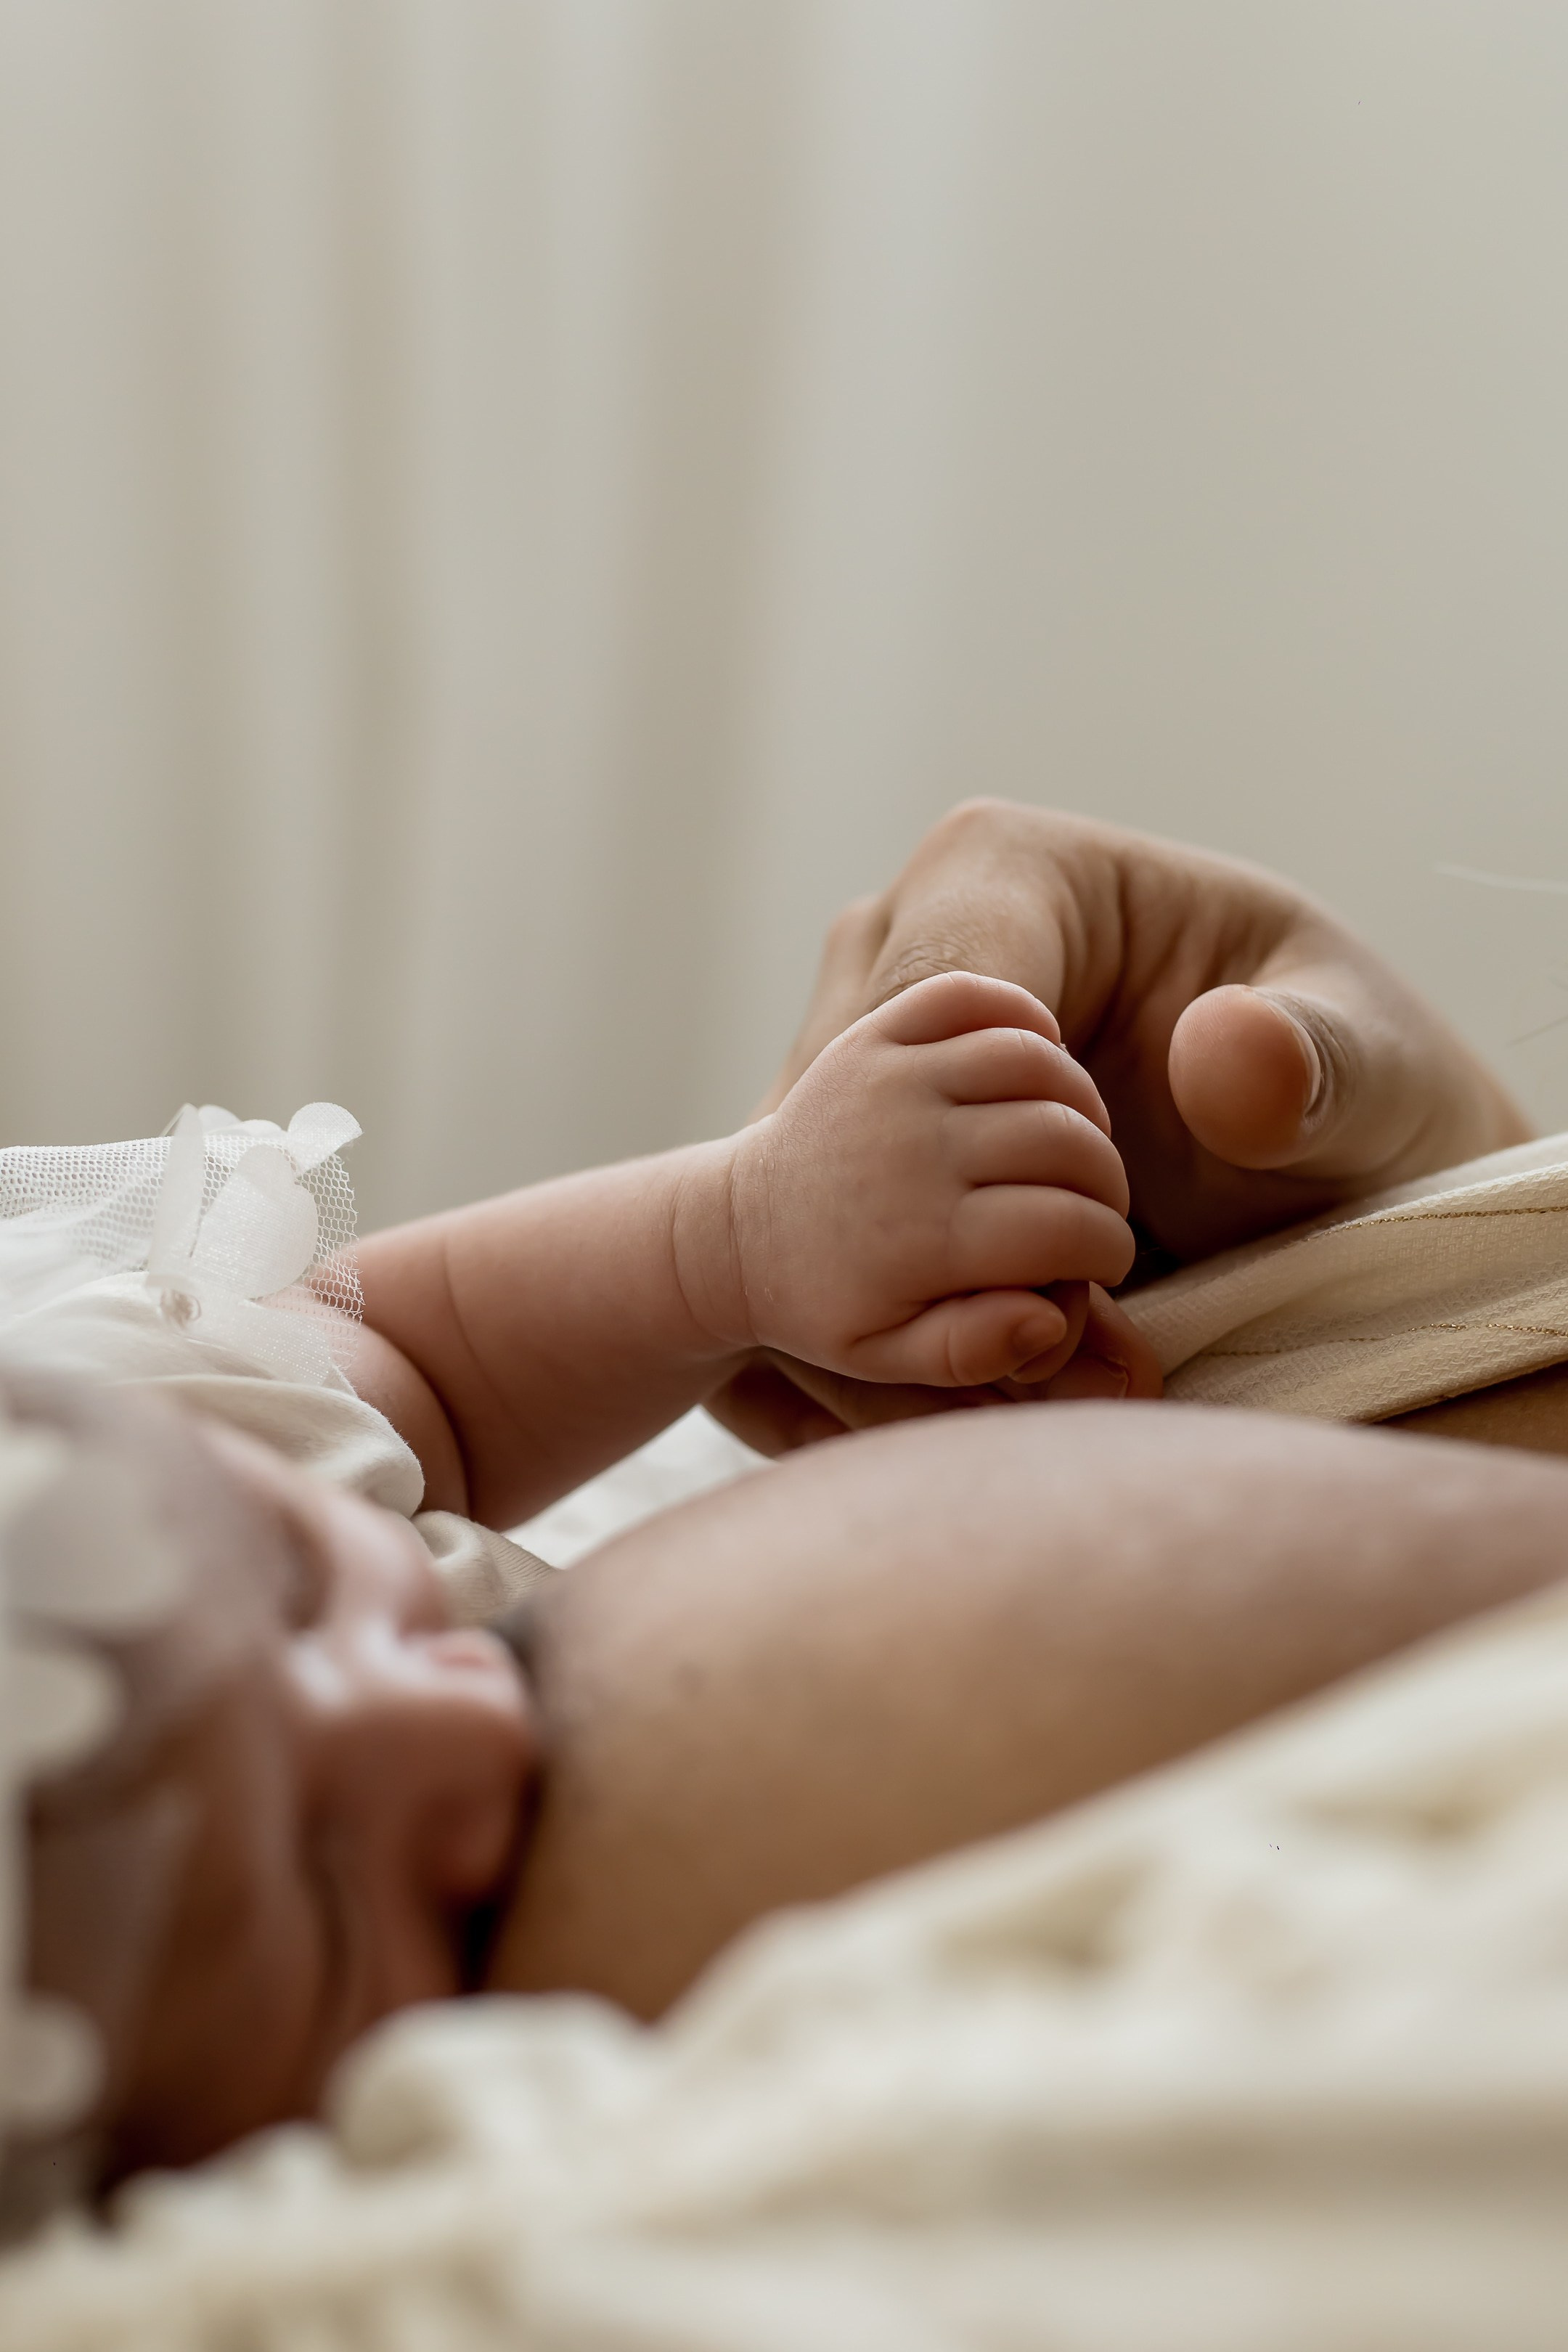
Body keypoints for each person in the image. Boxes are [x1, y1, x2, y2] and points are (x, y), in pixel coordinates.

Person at [7, 803, 1566, 2211]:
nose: (449, 1714)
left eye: (292, 1579)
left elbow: (425, 1347)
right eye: (328, 1878)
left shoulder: (148, 1426)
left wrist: (735, 1234)